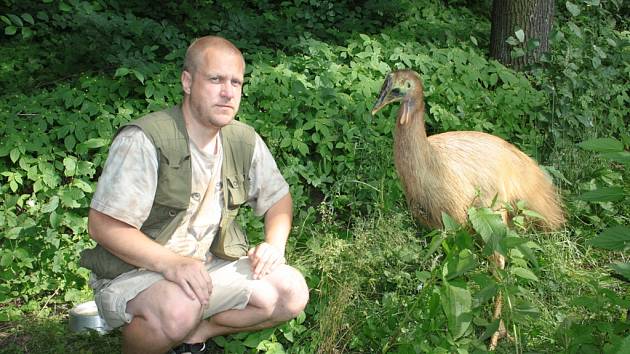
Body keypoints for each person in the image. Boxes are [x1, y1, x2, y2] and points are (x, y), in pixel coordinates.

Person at [80, 35, 309, 354]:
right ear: (187, 82)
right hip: (135, 274)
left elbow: (279, 200)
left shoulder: (242, 140)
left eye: (236, 82)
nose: (228, 92)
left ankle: (192, 337)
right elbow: (102, 225)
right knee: (180, 306)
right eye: (215, 79)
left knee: (290, 291)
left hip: (207, 267)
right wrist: (172, 264)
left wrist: (274, 244)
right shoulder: (146, 140)